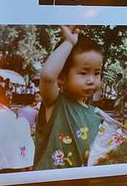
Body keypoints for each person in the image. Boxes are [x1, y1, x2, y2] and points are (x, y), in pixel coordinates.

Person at [34, 26, 104, 169]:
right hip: (51, 181)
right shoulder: (55, 104)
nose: (91, 80)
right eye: (83, 73)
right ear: (61, 77)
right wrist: (69, 43)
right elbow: (47, 77)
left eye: (97, 73)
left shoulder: (96, 115)